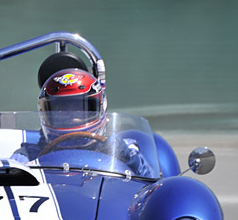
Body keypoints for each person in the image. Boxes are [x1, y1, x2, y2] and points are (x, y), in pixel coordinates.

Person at [12, 67, 156, 178]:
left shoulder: (122, 148)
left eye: (80, 107)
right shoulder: (28, 155)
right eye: (61, 108)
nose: (72, 115)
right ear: (45, 112)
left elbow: (150, 186)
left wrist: (128, 158)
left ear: (100, 107)